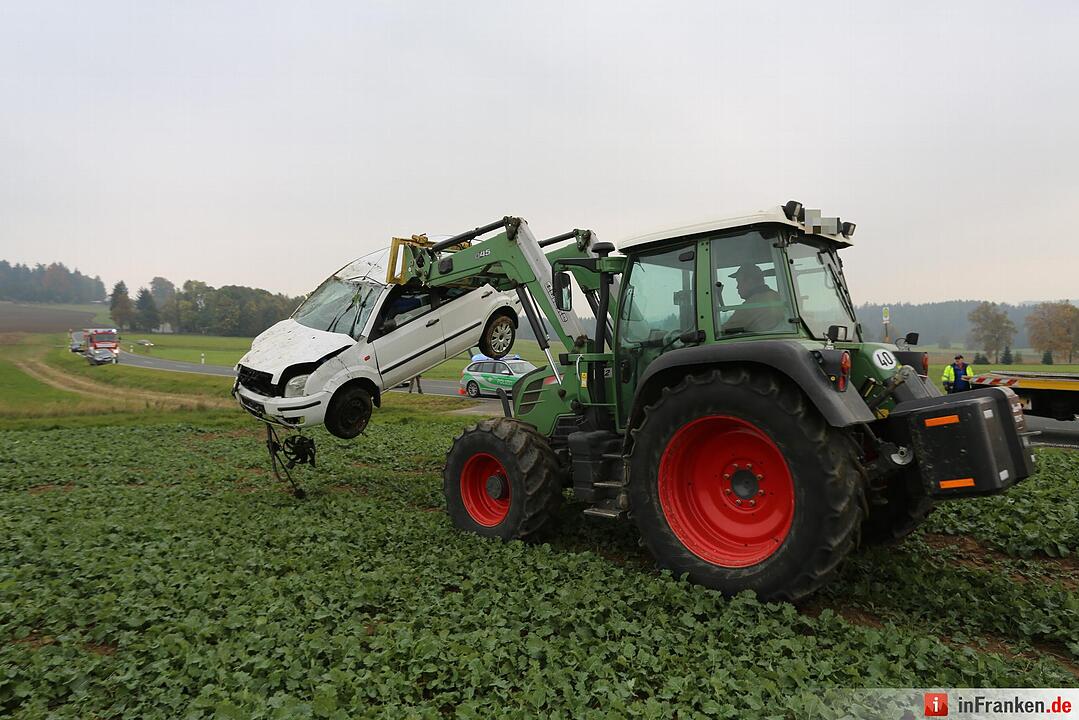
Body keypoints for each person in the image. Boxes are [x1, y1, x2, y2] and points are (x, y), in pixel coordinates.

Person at [722, 264, 785, 334]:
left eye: (739, 282)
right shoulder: (778, 297)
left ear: (750, 281)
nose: (737, 287)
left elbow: (725, 330)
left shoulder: (751, 305)